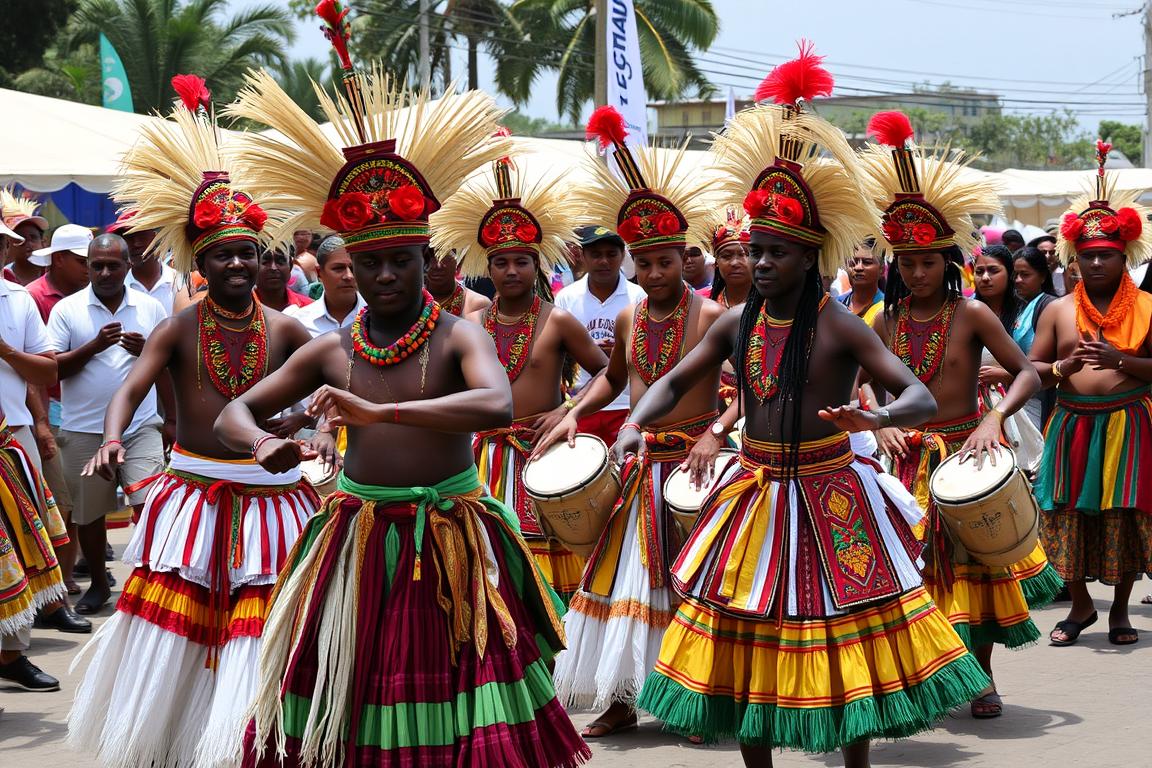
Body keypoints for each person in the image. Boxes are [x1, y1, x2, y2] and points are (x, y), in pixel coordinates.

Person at [218, 58, 589, 767]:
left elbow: (495, 404)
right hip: (357, 539)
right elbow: (238, 410)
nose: (385, 277)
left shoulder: (459, 335)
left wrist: (378, 415)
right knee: (352, 692)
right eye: (369, 264)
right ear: (348, 267)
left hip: (452, 533)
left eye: (400, 261)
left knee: (466, 699)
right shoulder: (329, 349)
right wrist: (260, 445)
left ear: (429, 256)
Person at [632, 54, 987, 767]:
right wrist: (636, 419)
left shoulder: (840, 324)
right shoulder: (735, 324)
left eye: (776, 253)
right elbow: (672, 380)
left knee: (840, 637)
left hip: (833, 493)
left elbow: (913, 393)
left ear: (808, 256)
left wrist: (877, 421)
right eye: (755, 251)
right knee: (747, 640)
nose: (760, 264)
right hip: (753, 491)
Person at [67, 80, 320, 768]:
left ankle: (253, 741)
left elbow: (339, 379)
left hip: (276, 498)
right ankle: (181, 742)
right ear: (200, 263)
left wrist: (316, 418)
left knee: (262, 626)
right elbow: (133, 387)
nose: (236, 263)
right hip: (192, 491)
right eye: (221, 255)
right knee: (179, 630)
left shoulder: (288, 327)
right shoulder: (178, 326)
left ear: (261, 258)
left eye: (246, 252)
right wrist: (116, 435)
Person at [531, 104, 722, 738]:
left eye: (664, 261)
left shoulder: (715, 317)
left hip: (703, 467)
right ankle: (620, 700)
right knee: (623, 585)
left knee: (697, 587)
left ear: (684, 257)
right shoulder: (630, 320)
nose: (652, 273)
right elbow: (614, 377)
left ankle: (697, 703)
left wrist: (715, 434)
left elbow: (751, 387)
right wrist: (571, 412)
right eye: (644, 263)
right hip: (642, 465)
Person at [860, 110, 1044, 720]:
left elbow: (1028, 372)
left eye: (928, 263)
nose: (916, 273)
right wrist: (880, 421)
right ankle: (926, 678)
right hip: (905, 462)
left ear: (948, 262)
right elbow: (859, 382)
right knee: (912, 576)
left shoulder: (972, 315)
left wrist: (994, 420)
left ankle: (983, 677)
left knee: (974, 573)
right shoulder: (882, 320)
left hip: (968, 452)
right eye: (906, 264)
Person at [433, 152, 608, 605]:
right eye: (501, 262)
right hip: (481, 456)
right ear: (487, 269)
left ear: (538, 266)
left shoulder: (559, 321)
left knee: (546, 572)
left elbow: (608, 373)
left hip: (541, 452)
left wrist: (568, 408)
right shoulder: (471, 321)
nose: (511, 271)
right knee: (485, 563)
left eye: (521, 262)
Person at [1030, 149, 1152, 648]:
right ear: (1073, 259)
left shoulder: (1148, 307)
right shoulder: (1058, 310)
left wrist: (1120, 360)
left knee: (1123, 516)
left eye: (1106, 254)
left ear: (1126, 257)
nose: (1096, 262)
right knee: (1066, 515)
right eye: (1088, 255)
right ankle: (1080, 605)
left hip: (1130, 423)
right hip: (1072, 423)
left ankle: (1120, 610)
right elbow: (1033, 370)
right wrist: (1064, 367)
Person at [45, 233, 169, 615]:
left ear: (127, 266)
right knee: (90, 515)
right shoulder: (68, 309)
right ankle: (98, 584)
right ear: (87, 266)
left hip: (142, 426)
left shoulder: (149, 308)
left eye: (113, 265)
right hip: (83, 428)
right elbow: (52, 369)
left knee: (150, 504)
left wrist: (173, 417)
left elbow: (169, 364)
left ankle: (149, 583)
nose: (103, 272)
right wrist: (93, 347)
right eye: (96, 265)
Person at [0, 219, 65, 692]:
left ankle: (11, 653)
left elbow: (44, 370)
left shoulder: (16, 299)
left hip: (11, 438)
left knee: (21, 550)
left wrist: (2, 349)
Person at [26, 224, 93, 610]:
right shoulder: (34, 297)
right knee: (57, 504)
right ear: (59, 259)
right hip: (45, 410)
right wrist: (39, 422)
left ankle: (60, 585)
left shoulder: (90, 293)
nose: (91, 269)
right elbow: (37, 368)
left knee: (72, 502)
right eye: (84, 262)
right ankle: (56, 589)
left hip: (76, 410)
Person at [554, 224, 646, 444]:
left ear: (623, 255)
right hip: (581, 403)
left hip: (626, 403)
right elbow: (560, 352)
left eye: (611, 254)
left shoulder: (638, 296)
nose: (604, 261)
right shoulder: (567, 297)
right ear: (583, 256)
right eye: (596, 255)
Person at [283, 234, 363, 338]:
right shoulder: (298, 322)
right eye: (338, 268)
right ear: (319, 272)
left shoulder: (381, 318)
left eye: (353, 268)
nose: (349, 276)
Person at [109, 209, 180, 315]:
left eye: (142, 236)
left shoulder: (181, 283)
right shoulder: (115, 288)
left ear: (157, 236)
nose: (136, 244)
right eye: (129, 237)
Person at [1, 187, 49, 286]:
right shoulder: (3, 277)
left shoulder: (55, 275)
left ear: (43, 242)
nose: (28, 243)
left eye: (33, 237)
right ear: (7, 245)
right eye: (20, 238)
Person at [707, 208, 752, 310]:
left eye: (744, 254)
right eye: (726, 256)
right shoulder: (702, 303)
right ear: (716, 262)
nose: (735, 263)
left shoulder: (771, 304)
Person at [425, 247, 491, 315]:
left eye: (446, 257)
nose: (437, 266)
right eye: (430, 258)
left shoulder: (478, 305)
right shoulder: (415, 299)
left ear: (459, 262)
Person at [839, 238, 886, 326]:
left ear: (882, 269)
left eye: (867, 262)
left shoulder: (887, 310)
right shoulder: (836, 304)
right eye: (853, 262)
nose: (858, 267)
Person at [254, 247, 313, 312]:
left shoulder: (309, 308)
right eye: (265, 262)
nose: (274, 268)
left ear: (290, 266)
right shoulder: (242, 307)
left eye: (280, 262)